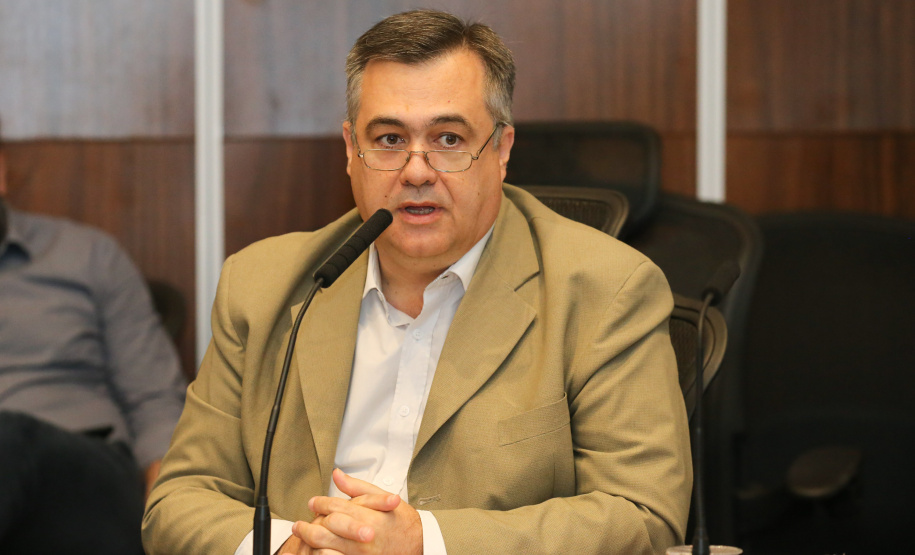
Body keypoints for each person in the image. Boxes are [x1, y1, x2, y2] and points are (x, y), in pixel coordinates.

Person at [143, 9, 691, 555]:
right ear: (350, 151)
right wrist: (289, 547)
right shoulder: (264, 285)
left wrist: (424, 544)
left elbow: (644, 515)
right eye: (387, 139)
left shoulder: (605, 289)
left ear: (501, 150)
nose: (416, 170)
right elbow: (179, 500)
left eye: (449, 139)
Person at [0, 125, 187, 553]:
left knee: (8, 434)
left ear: (2, 172)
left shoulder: (86, 255)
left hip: (87, 472)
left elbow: (155, 396)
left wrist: (169, 505)